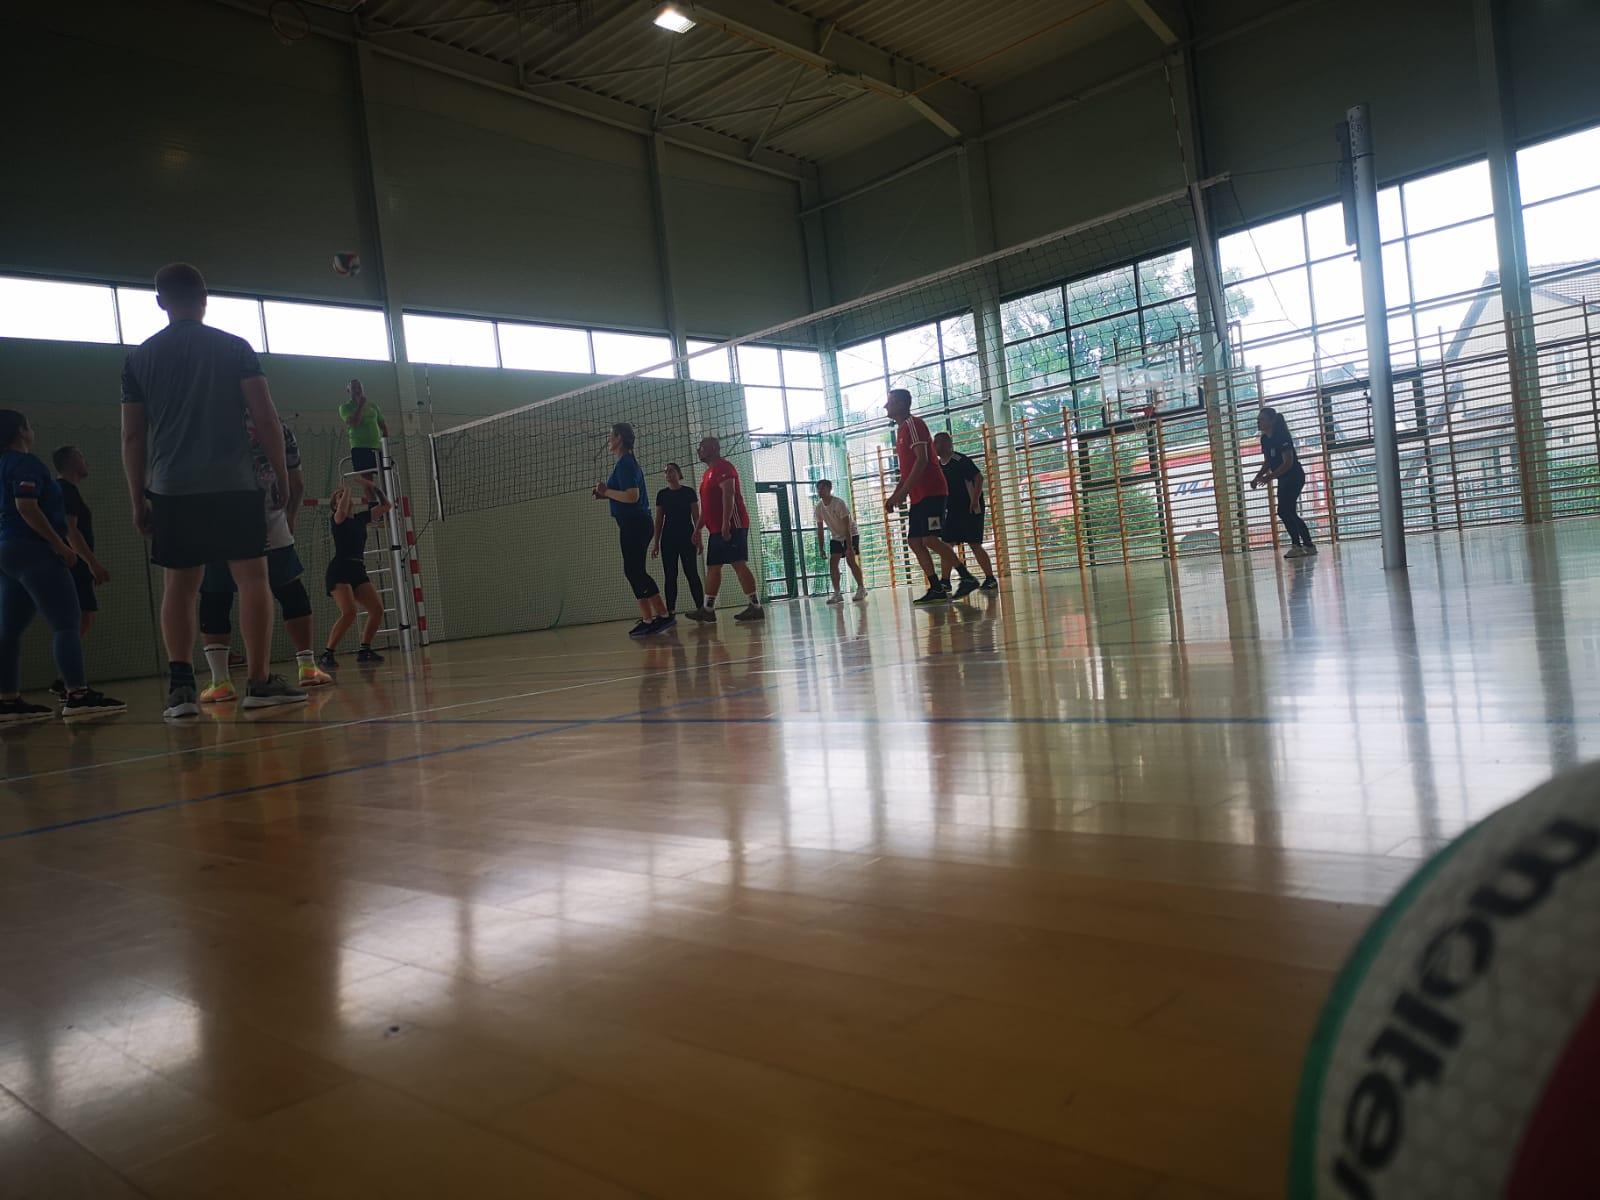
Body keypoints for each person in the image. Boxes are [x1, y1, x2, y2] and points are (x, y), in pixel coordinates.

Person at [120, 262, 305, 718]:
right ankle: (258, 682)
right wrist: (281, 477)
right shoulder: (234, 347)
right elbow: (265, 418)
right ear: (205, 298)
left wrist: (137, 496)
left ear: (160, 302)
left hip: (171, 487)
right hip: (234, 484)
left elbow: (133, 436)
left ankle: (182, 689)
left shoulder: (138, 359)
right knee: (253, 578)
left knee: (180, 585)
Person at [0, 410, 124, 721]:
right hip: (34, 551)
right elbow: (26, 506)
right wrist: (59, 545)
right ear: (21, 431)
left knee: (9, 630)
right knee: (67, 624)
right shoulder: (25, 464)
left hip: (7, 552)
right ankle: (78, 695)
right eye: (29, 425)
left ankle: (8, 700)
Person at [199, 418, 331, 703]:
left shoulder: (206, 421)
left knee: (215, 597)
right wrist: (290, 516)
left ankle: (220, 681)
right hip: (270, 520)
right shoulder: (278, 427)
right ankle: (306, 666)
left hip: (216, 521)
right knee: (290, 590)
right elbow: (297, 483)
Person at [883, 389, 964, 605]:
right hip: (919, 496)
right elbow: (907, 471)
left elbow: (922, 460)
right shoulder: (901, 430)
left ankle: (965, 577)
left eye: (890, 402)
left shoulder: (913, 424)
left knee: (929, 539)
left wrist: (902, 494)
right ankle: (936, 587)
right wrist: (895, 496)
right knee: (914, 541)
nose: (885, 406)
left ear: (902, 404)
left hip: (931, 491)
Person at [593, 423, 672, 638]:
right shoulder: (625, 463)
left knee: (634, 571)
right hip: (633, 524)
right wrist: (606, 494)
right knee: (634, 571)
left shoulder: (626, 464)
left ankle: (662, 615)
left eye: (611, 435)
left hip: (635, 524)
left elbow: (632, 496)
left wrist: (606, 491)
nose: (609, 439)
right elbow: (625, 495)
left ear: (619, 438)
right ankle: (649, 619)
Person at [49, 445, 111, 697]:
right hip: (73, 565)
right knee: (75, 620)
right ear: (71, 461)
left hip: (76, 566)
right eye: (82, 456)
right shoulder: (65, 490)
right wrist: (92, 563)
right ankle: (69, 681)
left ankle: (64, 678)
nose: (86, 461)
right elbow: (70, 531)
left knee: (85, 617)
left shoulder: (67, 490)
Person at [320, 480, 392, 667]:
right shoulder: (337, 518)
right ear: (335, 505)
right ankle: (328, 653)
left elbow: (386, 506)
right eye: (339, 496)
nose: (344, 497)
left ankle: (365, 650)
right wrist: (347, 488)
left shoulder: (360, 518)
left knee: (376, 610)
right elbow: (342, 510)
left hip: (358, 569)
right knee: (349, 612)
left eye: (343, 495)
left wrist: (373, 486)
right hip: (340, 570)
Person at [695, 436, 763, 622]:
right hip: (716, 529)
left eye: (702, 447)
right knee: (713, 567)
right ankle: (707, 610)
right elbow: (706, 507)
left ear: (713, 448)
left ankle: (756, 607)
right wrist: (697, 529)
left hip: (733, 525)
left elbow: (729, 493)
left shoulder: (724, 467)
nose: (699, 450)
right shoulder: (707, 474)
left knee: (738, 563)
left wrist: (726, 522)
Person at [934, 432, 998, 595]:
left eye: (937, 443)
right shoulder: (938, 465)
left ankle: (990, 578)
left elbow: (979, 478)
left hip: (970, 508)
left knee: (974, 544)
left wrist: (975, 500)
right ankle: (945, 581)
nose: (934, 446)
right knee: (946, 544)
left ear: (946, 443)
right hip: (953, 510)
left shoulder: (960, 460)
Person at [1251, 407, 1317, 558]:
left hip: (1294, 476)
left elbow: (1288, 463)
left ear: (1272, 421)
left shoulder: (1282, 437)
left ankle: (1298, 546)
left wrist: (1269, 477)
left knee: (1285, 510)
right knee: (1288, 511)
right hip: (1283, 478)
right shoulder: (1265, 439)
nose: (1258, 422)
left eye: (1262, 419)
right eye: (1258, 419)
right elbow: (1268, 461)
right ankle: (1307, 545)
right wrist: (1257, 477)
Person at [651, 462, 712, 622]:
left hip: (687, 538)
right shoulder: (662, 495)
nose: (668, 474)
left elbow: (696, 517)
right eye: (666, 472)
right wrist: (656, 543)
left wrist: (699, 539)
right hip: (668, 540)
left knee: (691, 573)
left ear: (679, 473)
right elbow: (658, 520)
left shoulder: (688, 492)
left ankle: (701, 609)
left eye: (671, 471)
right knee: (670, 575)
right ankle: (670, 612)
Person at [813, 479, 866, 605]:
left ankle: (861, 588)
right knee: (833, 563)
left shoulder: (839, 503)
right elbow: (820, 529)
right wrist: (821, 548)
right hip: (836, 536)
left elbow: (847, 526)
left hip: (850, 533)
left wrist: (849, 547)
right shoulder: (819, 507)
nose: (820, 491)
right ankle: (837, 593)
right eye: (818, 488)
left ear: (829, 489)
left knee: (850, 560)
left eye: (823, 488)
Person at [339, 378, 388, 480]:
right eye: (354, 388)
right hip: (360, 448)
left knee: (386, 477)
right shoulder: (345, 407)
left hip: (377, 447)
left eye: (359, 387)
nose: (357, 390)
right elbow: (355, 423)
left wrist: (385, 445)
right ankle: (370, 492)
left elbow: (383, 426)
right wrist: (360, 405)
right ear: (348, 390)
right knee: (368, 482)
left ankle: (385, 492)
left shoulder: (373, 406)